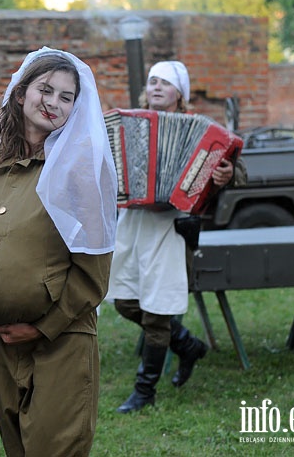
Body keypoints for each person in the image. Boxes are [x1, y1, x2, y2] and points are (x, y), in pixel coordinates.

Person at [0, 47, 118, 456]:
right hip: (0, 343)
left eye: (66, 97)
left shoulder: (81, 171)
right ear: (21, 94)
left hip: (60, 341)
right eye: (46, 89)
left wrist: (41, 327)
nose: (54, 103)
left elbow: (94, 273)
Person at [106, 60, 246, 414]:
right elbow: (106, 160)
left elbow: (238, 171)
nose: (156, 87)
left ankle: (144, 391)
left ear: (179, 93)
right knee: (123, 299)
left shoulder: (202, 130)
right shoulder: (128, 123)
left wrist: (227, 174)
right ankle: (187, 346)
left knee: (157, 311)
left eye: (165, 83)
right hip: (133, 220)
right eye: (152, 81)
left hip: (172, 226)